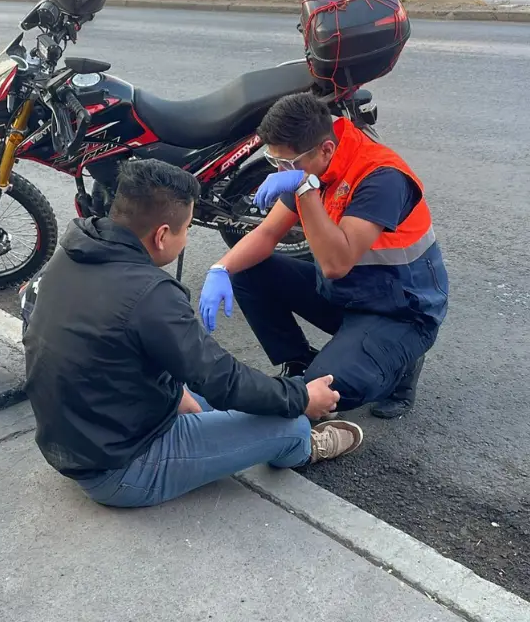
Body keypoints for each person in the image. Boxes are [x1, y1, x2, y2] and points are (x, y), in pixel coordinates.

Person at [20, 158, 364, 509]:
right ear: (162, 235)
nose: (186, 239)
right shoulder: (149, 294)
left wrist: (173, 392)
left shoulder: (74, 249)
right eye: (187, 230)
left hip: (84, 436)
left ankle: (282, 415)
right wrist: (300, 398)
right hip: (122, 467)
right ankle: (301, 446)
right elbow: (222, 380)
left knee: (233, 398)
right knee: (288, 425)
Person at [199, 92, 448, 419]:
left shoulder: (381, 177)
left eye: (286, 163)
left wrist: (304, 190)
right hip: (349, 294)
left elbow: (336, 264)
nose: (281, 171)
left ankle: (400, 365)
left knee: (322, 391)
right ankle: (299, 361)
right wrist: (220, 269)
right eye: (276, 162)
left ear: (326, 149)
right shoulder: (308, 165)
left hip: (401, 310)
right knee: (246, 270)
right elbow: (267, 234)